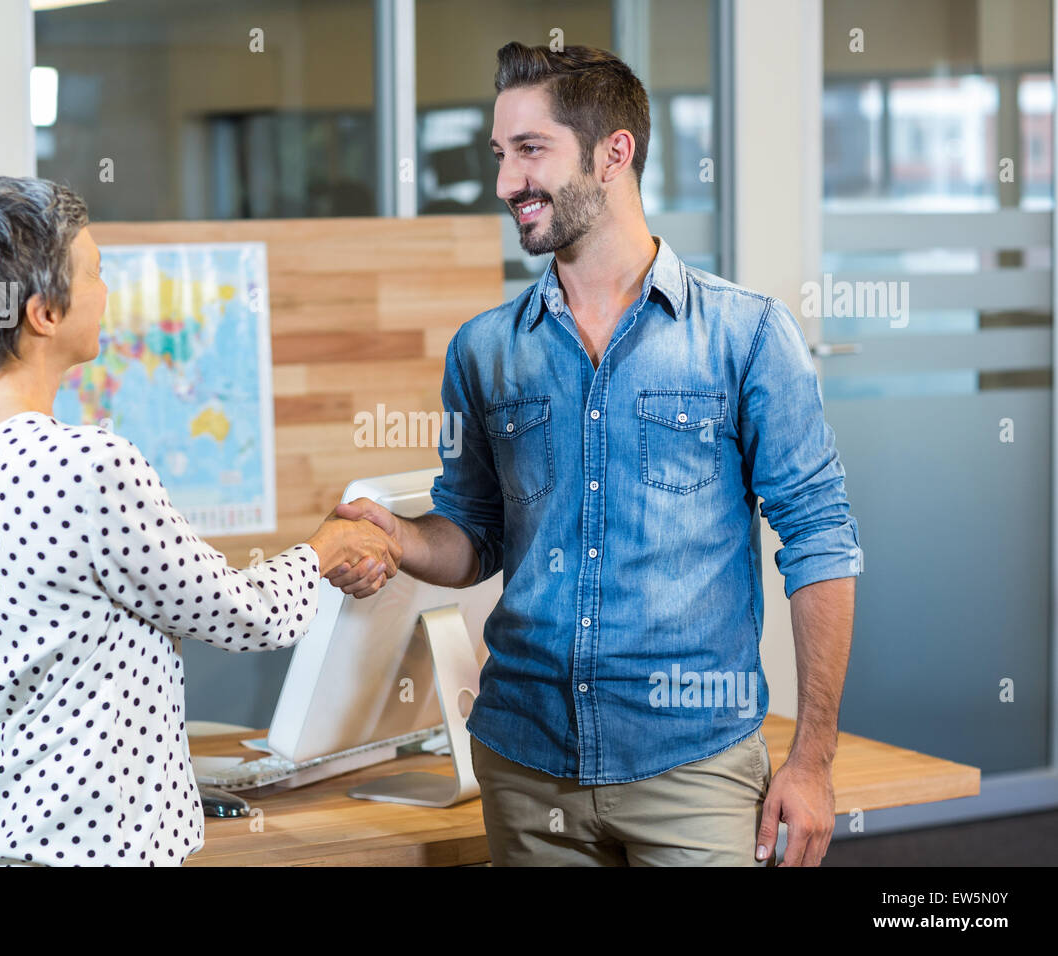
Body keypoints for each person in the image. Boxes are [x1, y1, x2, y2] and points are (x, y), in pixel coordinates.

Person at [336, 42, 863, 867]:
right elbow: (476, 536)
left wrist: (814, 760)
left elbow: (821, 540)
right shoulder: (485, 351)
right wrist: (400, 539)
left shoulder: (747, 334)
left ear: (614, 153)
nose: (508, 182)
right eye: (501, 155)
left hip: (694, 770)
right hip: (525, 763)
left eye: (531, 150)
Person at [0, 176, 399, 866]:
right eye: (95, 272)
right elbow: (242, 615)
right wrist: (323, 551)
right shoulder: (87, 464)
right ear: (45, 313)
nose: (106, 292)